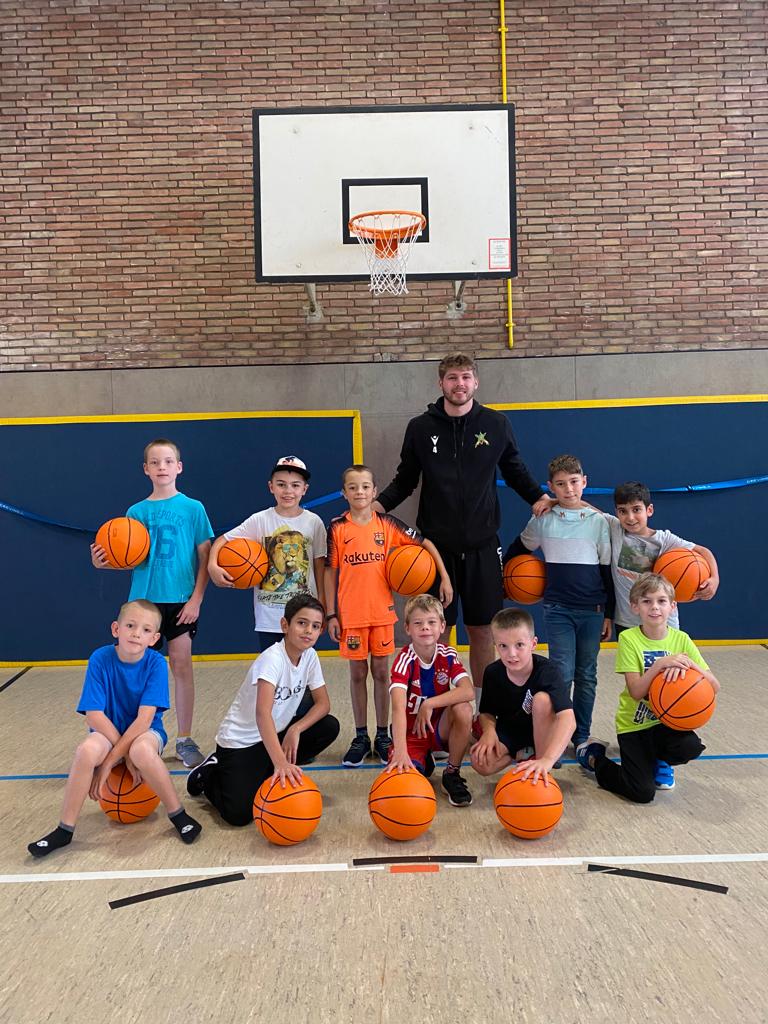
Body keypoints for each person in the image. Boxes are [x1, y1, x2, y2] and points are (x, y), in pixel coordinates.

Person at [375, 352, 552, 698]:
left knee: (483, 630)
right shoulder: (420, 428)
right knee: (433, 631)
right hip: (434, 549)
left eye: (466, 377)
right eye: (453, 378)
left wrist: (538, 498)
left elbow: (515, 470)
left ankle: (483, 710)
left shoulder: (496, 424)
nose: (460, 384)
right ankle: (435, 708)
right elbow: (405, 479)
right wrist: (374, 508)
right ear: (441, 383)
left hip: (483, 546)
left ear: (476, 382)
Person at [28, 600, 202, 857]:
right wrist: (120, 753)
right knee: (86, 750)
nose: (135, 633)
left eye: (145, 630)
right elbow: (94, 716)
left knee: (142, 752)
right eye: (130, 625)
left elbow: (144, 721)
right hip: (107, 730)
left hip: (145, 733)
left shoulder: (155, 663)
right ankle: (64, 829)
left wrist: (111, 761)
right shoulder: (100, 658)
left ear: (155, 638)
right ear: (115, 629)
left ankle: (178, 814)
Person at [91, 438, 213, 768]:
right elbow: (126, 555)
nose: (162, 467)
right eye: (155, 462)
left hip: (181, 601)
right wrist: (104, 562)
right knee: (136, 672)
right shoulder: (136, 512)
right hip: (143, 604)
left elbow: (205, 556)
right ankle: (136, 736)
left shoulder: (193, 508)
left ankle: (185, 740)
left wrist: (197, 599)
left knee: (181, 667)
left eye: (168, 461)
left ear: (179, 467)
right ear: (146, 469)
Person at [325, 465, 452, 768]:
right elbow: (330, 572)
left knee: (382, 674)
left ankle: (383, 735)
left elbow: (426, 544)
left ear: (374, 491)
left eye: (365, 487)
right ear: (344, 493)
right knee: (357, 675)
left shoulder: (389, 525)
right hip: (351, 615)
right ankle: (360, 736)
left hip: (382, 614)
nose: (359, 492)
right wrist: (331, 613)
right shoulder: (338, 529)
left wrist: (444, 577)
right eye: (353, 487)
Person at [186, 594, 339, 825]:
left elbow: (323, 704)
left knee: (328, 726)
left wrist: (295, 729)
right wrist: (280, 762)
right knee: (239, 815)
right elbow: (262, 713)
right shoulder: (272, 659)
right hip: (242, 741)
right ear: (285, 625)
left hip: (273, 733)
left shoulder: (310, 657)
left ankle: (267, 769)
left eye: (315, 626)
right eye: (302, 623)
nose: (308, 630)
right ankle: (208, 773)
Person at [505, 453, 614, 755]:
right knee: (562, 673)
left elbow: (606, 571)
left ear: (585, 482)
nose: (569, 489)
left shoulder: (599, 522)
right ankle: (554, 736)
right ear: (551, 487)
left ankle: (582, 736)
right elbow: (518, 549)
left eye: (574, 482)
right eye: (561, 485)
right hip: (558, 609)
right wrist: (503, 573)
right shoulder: (543, 519)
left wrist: (609, 613)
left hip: (592, 610)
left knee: (587, 674)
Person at [577, 573, 720, 800]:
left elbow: (714, 685)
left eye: (661, 601)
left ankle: (658, 759)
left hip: (664, 723)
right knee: (642, 793)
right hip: (634, 725)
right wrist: (661, 665)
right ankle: (594, 757)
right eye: (647, 601)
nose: (655, 607)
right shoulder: (629, 639)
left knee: (691, 746)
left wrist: (692, 664)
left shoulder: (681, 639)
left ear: (672, 606)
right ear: (635, 607)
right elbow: (636, 691)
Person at [208, 455, 327, 654]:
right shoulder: (260, 520)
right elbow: (222, 540)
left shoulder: (314, 522)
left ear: (304, 489)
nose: (288, 491)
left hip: (305, 614)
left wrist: (322, 603)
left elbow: (320, 567)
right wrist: (213, 565)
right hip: (269, 616)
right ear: (271, 487)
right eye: (281, 484)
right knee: (271, 673)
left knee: (302, 672)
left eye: (295, 485)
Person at [387, 594, 474, 806]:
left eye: (431, 622)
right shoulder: (403, 661)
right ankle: (422, 759)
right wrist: (400, 752)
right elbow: (398, 709)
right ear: (407, 628)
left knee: (463, 709)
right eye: (418, 623)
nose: (425, 628)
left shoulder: (448, 654)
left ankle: (451, 773)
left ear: (442, 626)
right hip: (412, 735)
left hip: (439, 729)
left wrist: (430, 703)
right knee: (405, 789)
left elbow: (468, 691)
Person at [470, 607, 574, 784]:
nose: (512, 654)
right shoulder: (493, 672)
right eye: (503, 646)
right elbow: (486, 711)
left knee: (542, 700)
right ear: (495, 646)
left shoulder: (548, 671)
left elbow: (568, 720)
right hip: (510, 731)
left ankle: (539, 764)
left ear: (533, 644)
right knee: (480, 762)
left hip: (542, 732)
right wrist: (488, 731)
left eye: (519, 645)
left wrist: (547, 759)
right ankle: (523, 754)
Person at [606, 481, 719, 636]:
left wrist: (714, 578)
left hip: (663, 620)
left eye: (636, 509)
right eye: (623, 511)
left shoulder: (664, 539)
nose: (630, 517)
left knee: (669, 660)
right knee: (633, 661)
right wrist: (559, 502)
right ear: (617, 513)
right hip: (628, 620)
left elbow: (703, 551)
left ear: (649, 510)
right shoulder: (615, 528)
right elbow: (587, 509)